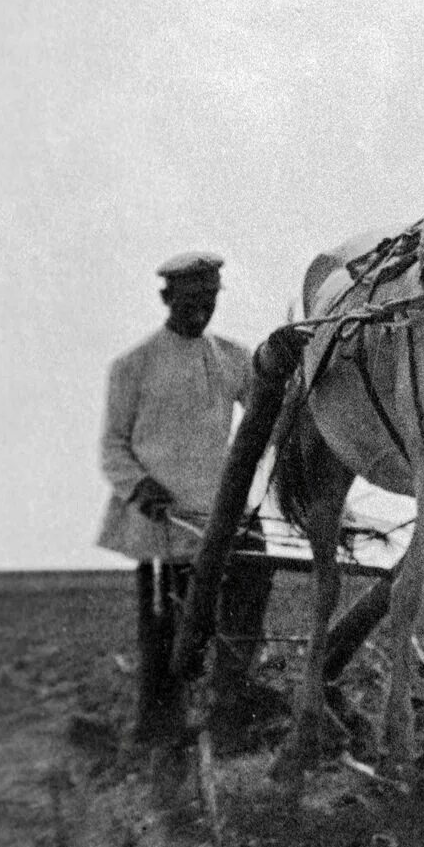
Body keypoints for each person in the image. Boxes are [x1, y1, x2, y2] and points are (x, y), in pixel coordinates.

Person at [98, 252, 272, 746]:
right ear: (166, 298)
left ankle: (230, 706)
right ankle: (159, 729)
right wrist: (138, 485)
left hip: (218, 515)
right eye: (192, 300)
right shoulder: (133, 366)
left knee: (247, 594)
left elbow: (270, 418)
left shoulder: (235, 358)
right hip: (161, 518)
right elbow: (113, 445)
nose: (202, 310)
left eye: (211, 299)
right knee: (163, 626)